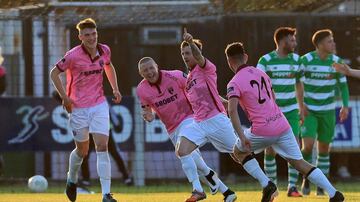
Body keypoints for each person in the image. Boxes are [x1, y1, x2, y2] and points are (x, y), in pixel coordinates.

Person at [225, 41, 345, 202]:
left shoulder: (233, 83)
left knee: (238, 152)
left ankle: (267, 184)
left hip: (262, 129)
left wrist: (242, 136)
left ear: (229, 62)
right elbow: (271, 98)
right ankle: (334, 193)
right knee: (300, 163)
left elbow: (232, 110)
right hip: (282, 124)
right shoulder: (262, 74)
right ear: (245, 57)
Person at [179, 29, 276, 202]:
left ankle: (266, 183)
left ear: (197, 53)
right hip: (199, 123)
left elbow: (200, 59)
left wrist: (191, 42)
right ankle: (198, 189)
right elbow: (212, 96)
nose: (186, 56)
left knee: (239, 154)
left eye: (189, 53)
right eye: (183, 53)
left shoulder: (206, 68)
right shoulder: (189, 78)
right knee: (182, 149)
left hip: (217, 121)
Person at [136, 57, 237, 202]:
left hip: (190, 118)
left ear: (157, 66)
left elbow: (199, 89)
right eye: (145, 70)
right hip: (171, 128)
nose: (150, 72)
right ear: (141, 73)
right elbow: (148, 111)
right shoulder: (142, 89)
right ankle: (227, 193)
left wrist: (220, 101)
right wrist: (148, 116)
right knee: (195, 162)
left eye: (151, 68)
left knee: (183, 152)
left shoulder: (175, 75)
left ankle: (198, 190)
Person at [50, 18, 120, 202]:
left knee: (102, 146)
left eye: (94, 34)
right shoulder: (72, 55)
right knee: (82, 151)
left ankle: (106, 194)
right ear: (80, 36)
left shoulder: (104, 50)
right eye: (87, 35)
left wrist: (115, 88)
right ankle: (71, 179)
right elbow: (53, 73)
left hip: (99, 105)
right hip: (78, 108)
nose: (91, 38)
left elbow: (108, 65)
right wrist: (65, 97)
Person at [299, 29, 349, 196]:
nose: (333, 44)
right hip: (309, 111)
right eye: (330, 41)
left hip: (327, 111)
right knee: (307, 146)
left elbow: (343, 85)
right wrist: (301, 105)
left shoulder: (336, 61)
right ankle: (307, 177)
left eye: (333, 41)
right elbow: (297, 83)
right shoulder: (305, 60)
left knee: (324, 148)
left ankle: (322, 185)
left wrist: (345, 105)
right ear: (320, 44)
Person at [256, 27, 303, 197]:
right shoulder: (265, 60)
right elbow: (259, 87)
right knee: (270, 150)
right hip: (272, 112)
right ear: (283, 41)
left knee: (295, 148)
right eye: (292, 40)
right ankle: (272, 187)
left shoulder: (297, 60)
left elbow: (299, 84)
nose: (294, 43)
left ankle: (292, 187)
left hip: (291, 110)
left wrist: (301, 107)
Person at [80, 107, 133, 187]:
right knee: (85, 154)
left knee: (114, 153)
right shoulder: (86, 102)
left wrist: (117, 125)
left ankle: (126, 177)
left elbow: (112, 113)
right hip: (91, 132)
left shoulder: (102, 101)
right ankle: (86, 179)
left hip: (104, 131)